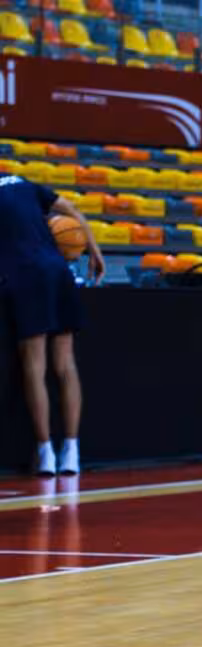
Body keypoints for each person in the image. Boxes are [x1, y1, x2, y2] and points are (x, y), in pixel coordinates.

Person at [0, 174, 103, 476]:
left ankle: (45, 453)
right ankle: (71, 451)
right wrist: (94, 252)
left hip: (24, 274)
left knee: (35, 365)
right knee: (65, 364)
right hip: (59, 272)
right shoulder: (24, 183)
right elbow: (72, 210)